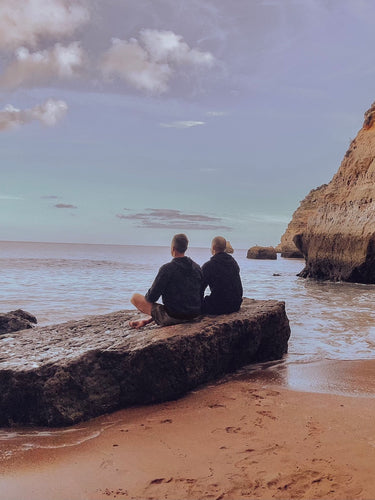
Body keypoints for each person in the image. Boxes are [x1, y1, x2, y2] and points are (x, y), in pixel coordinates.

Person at [129, 233, 202, 328]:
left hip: (174, 317)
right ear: (185, 248)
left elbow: (151, 298)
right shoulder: (197, 268)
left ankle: (157, 319)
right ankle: (149, 320)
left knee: (135, 297)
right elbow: (199, 295)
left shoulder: (167, 269)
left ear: (173, 248)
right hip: (194, 315)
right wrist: (148, 320)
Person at [202, 236, 243, 315]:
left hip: (220, 307)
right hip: (236, 304)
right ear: (224, 248)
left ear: (213, 247)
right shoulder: (233, 262)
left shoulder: (209, 265)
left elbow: (199, 288)